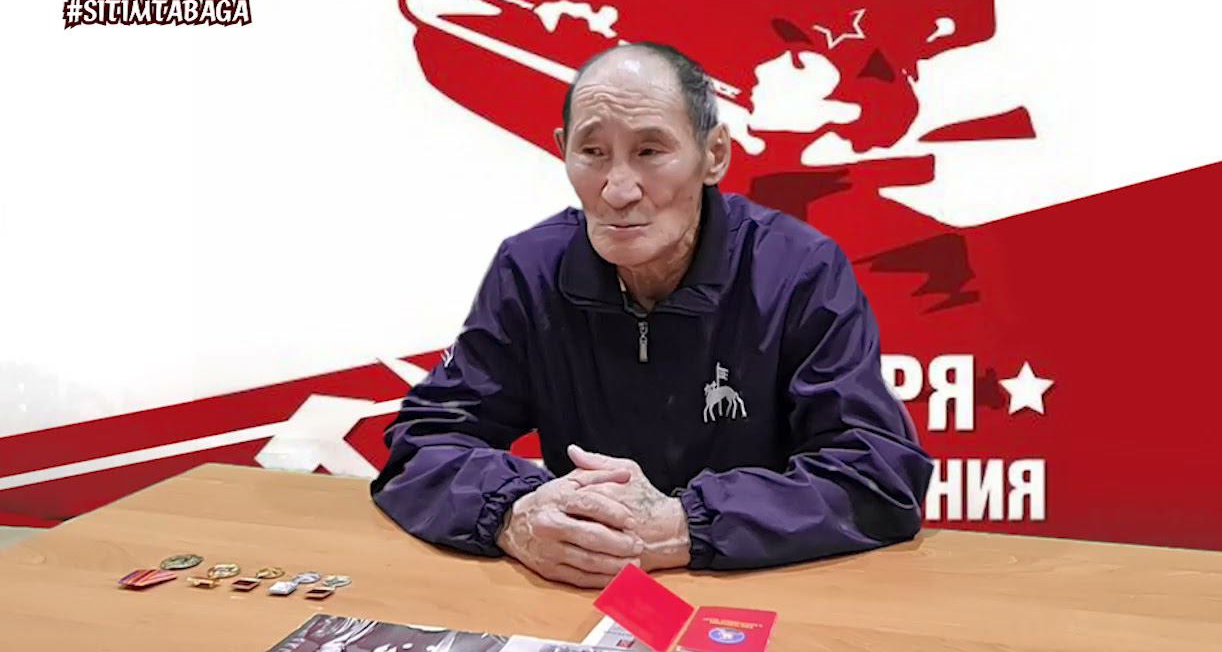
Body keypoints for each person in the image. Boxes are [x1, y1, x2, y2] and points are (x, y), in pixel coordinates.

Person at [371, 42, 933, 588]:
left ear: (714, 154)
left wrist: (685, 525)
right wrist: (514, 511)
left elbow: (877, 474)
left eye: (649, 151)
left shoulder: (798, 270)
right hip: (582, 593)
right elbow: (424, 440)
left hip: (753, 593)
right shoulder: (531, 269)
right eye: (593, 152)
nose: (617, 190)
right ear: (564, 151)